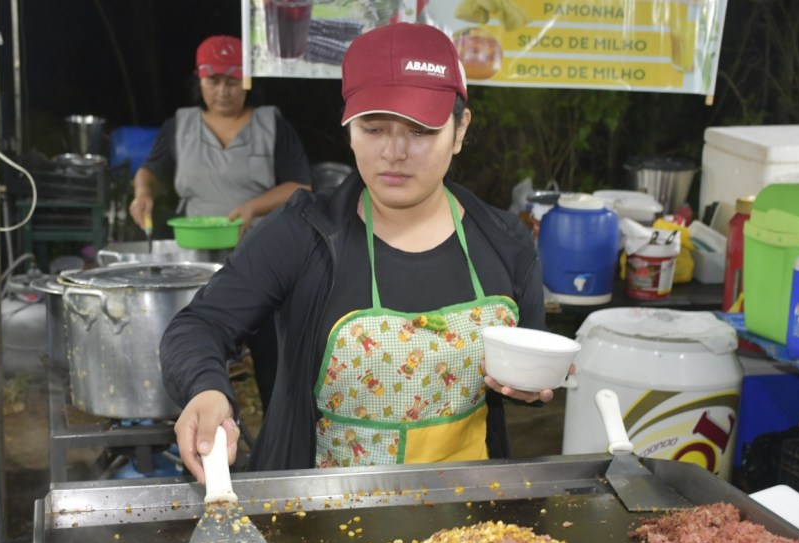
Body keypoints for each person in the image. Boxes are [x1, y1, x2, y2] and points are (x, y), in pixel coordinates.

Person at [161, 22, 554, 481]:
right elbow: (198, 325)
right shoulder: (304, 234)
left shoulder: (506, 243)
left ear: (460, 129)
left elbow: (527, 364)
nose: (395, 152)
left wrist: (525, 386)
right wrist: (207, 390)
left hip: (466, 527)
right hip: (322, 524)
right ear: (348, 127)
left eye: (422, 131)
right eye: (373, 127)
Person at [130, 35, 312, 411]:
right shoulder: (179, 126)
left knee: (273, 357)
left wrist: (253, 207)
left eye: (233, 81)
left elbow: (302, 185)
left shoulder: (271, 123)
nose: (223, 91)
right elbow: (150, 172)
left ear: (246, 83)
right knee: (194, 345)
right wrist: (142, 191)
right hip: (195, 261)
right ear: (200, 81)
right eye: (214, 81)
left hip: (264, 259)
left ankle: (278, 434)